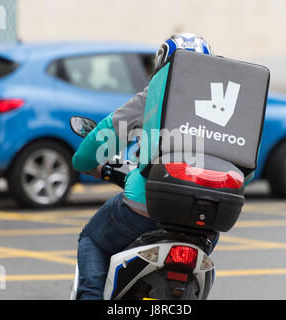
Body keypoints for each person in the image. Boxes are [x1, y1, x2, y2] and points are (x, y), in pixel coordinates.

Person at [72, 33, 217, 300]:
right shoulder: (223, 107)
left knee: (92, 240)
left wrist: (83, 162)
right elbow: (244, 169)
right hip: (206, 219)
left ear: (162, 64)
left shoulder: (154, 95)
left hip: (145, 210)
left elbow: (107, 133)